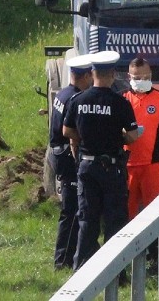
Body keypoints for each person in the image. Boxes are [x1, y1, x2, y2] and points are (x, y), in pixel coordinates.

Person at [62, 51, 141, 270]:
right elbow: (133, 136)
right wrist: (120, 137)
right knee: (114, 221)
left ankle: (81, 268)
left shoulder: (78, 100)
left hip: (87, 166)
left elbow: (67, 131)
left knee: (87, 220)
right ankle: (116, 271)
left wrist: (85, 137)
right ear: (113, 74)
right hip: (112, 169)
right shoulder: (119, 102)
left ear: (93, 73)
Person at [47, 54, 93, 270]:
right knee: (72, 210)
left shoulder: (63, 94)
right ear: (84, 77)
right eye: (90, 76)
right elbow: (76, 134)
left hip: (58, 154)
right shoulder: (75, 99)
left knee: (72, 210)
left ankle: (72, 254)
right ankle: (63, 260)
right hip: (68, 157)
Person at [123, 57, 159, 220]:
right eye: (137, 78)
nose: (142, 81)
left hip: (153, 164)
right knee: (126, 214)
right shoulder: (122, 99)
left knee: (155, 213)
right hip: (127, 165)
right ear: (129, 77)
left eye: (145, 77)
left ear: (151, 75)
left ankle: (156, 246)